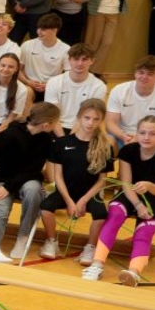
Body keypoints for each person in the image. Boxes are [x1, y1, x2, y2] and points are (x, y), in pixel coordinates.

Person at [0, 101, 60, 264]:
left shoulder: (46, 140)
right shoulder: (9, 135)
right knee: (0, 208)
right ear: (45, 124)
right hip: (2, 179)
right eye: (56, 122)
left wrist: (9, 187)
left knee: (33, 191)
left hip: (27, 179)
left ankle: (23, 237)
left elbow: (34, 169)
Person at [82, 115, 155, 284]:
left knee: (144, 232)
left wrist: (149, 186)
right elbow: (125, 183)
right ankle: (97, 264)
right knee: (115, 214)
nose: (146, 137)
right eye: (142, 132)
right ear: (137, 133)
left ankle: (133, 272)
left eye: (153, 134)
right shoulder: (129, 151)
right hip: (130, 193)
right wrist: (138, 204)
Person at [38, 99, 113, 262]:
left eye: (96, 119)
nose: (90, 123)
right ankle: (51, 241)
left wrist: (83, 200)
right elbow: (58, 176)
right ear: (79, 117)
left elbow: (102, 181)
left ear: (101, 121)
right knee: (45, 207)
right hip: (65, 191)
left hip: (90, 193)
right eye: (87, 118)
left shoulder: (105, 146)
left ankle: (90, 247)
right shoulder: (62, 143)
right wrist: (70, 202)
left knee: (101, 214)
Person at [45, 44, 107, 136]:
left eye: (84, 59)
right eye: (76, 59)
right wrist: (63, 139)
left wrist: (70, 140)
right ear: (69, 60)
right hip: (56, 126)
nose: (79, 64)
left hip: (83, 128)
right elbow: (53, 115)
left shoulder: (98, 86)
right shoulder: (54, 82)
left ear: (92, 61)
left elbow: (88, 116)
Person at [106, 55, 155, 147]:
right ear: (135, 74)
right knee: (107, 144)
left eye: (150, 74)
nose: (144, 77)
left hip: (151, 136)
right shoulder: (119, 90)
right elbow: (110, 123)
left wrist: (139, 138)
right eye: (141, 72)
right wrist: (123, 136)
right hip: (123, 135)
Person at [19, 14, 69, 103]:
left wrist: (49, 85)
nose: (39, 32)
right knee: (26, 92)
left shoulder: (66, 49)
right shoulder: (27, 45)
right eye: (38, 28)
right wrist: (28, 82)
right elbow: (18, 70)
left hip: (53, 87)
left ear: (54, 30)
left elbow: (68, 75)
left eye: (43, 29)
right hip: (29, 85)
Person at [84, 0, 125, 77]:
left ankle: (95, 71)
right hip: (98, 12)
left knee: (107, 43)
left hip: (114, 13)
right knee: (93, 43)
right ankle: (85, 70)